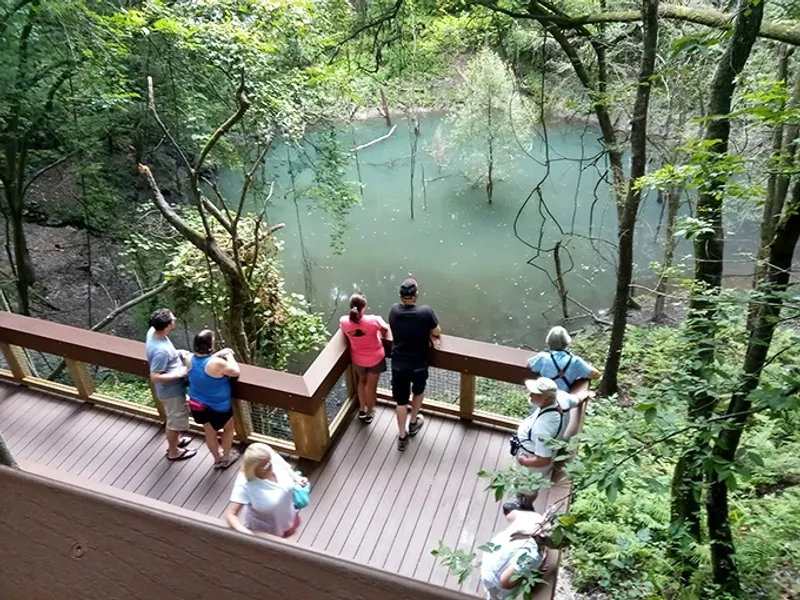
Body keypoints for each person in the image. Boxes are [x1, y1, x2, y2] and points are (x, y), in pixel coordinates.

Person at [503, 377, 593, 514]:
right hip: (534, 453)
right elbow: (576, 399)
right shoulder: (562, 398)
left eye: (535, 394)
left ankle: (525, 506)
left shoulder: (543, 426)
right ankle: (521, 499)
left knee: (529, 487)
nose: (530, 395)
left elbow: (544, 459)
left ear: (546, 398)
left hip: (533, 464)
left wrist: (524, 461)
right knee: (524, 484)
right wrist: (584, 394)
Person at [388, 277, 441, 451]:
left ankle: (402, 436)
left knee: (401, 401)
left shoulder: (394, 311)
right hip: (418, 363)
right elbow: (437, 331)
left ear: (401, 296)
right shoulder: (425, 312)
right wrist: (431, 337)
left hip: (398, 364)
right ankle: (413, 422)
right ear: (416, 295)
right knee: (418, 392)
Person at [225, 443, 309, 538]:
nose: (271, 466)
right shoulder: (245, 484)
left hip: (288, 517)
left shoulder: (269, 458)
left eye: (270, 462)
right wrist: (248, 535)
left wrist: (296, 477)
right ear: (254, 468)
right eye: (265, 466)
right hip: (267, 531)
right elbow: (230, 514)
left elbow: (284, 466)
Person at [145, 309, 197, 461]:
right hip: (171, 392)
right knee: (175, 422)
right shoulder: (161, 351)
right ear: (167, 326)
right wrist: (180, 374)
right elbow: (155, 376)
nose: (175, 320)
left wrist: (178, 353)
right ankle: (174, 451)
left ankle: (177, 441)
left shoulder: (153, 332)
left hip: (173, 390)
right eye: (173, 320)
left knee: (175, 418)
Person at [185, 329, 241, 469]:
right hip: (218, 406)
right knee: (228, 429)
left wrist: (217, 354)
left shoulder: (188, 358)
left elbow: (203, 362)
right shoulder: (217, 364)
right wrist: (228, 355)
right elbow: (235, 371)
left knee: (209, 432)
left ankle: (217, 459)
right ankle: (226, 457)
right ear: (210, 344)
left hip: (197, 404)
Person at [339, 293, 389, 424]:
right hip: (375, 358)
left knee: (362, 382)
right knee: (371, 386)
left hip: (358, 359)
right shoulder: (374, 320)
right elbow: (385, 329)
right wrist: (379, 333)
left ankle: (361, 409)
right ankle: (369, 412)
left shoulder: (344, 321)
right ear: (364, 307)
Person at [480, 509, 552, 599]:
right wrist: (531, 572)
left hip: (490, 559)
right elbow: (505, 582)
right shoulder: (531, 555)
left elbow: (510, 515)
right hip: (493, 578)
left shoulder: (534, 517)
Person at [527, 326, 600, 393]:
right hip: (563, 398)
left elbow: (530, 364)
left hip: (543, 397)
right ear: (567, 343)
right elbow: (596, 375)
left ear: (548, 342)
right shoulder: (575, 361)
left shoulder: (542, 357)